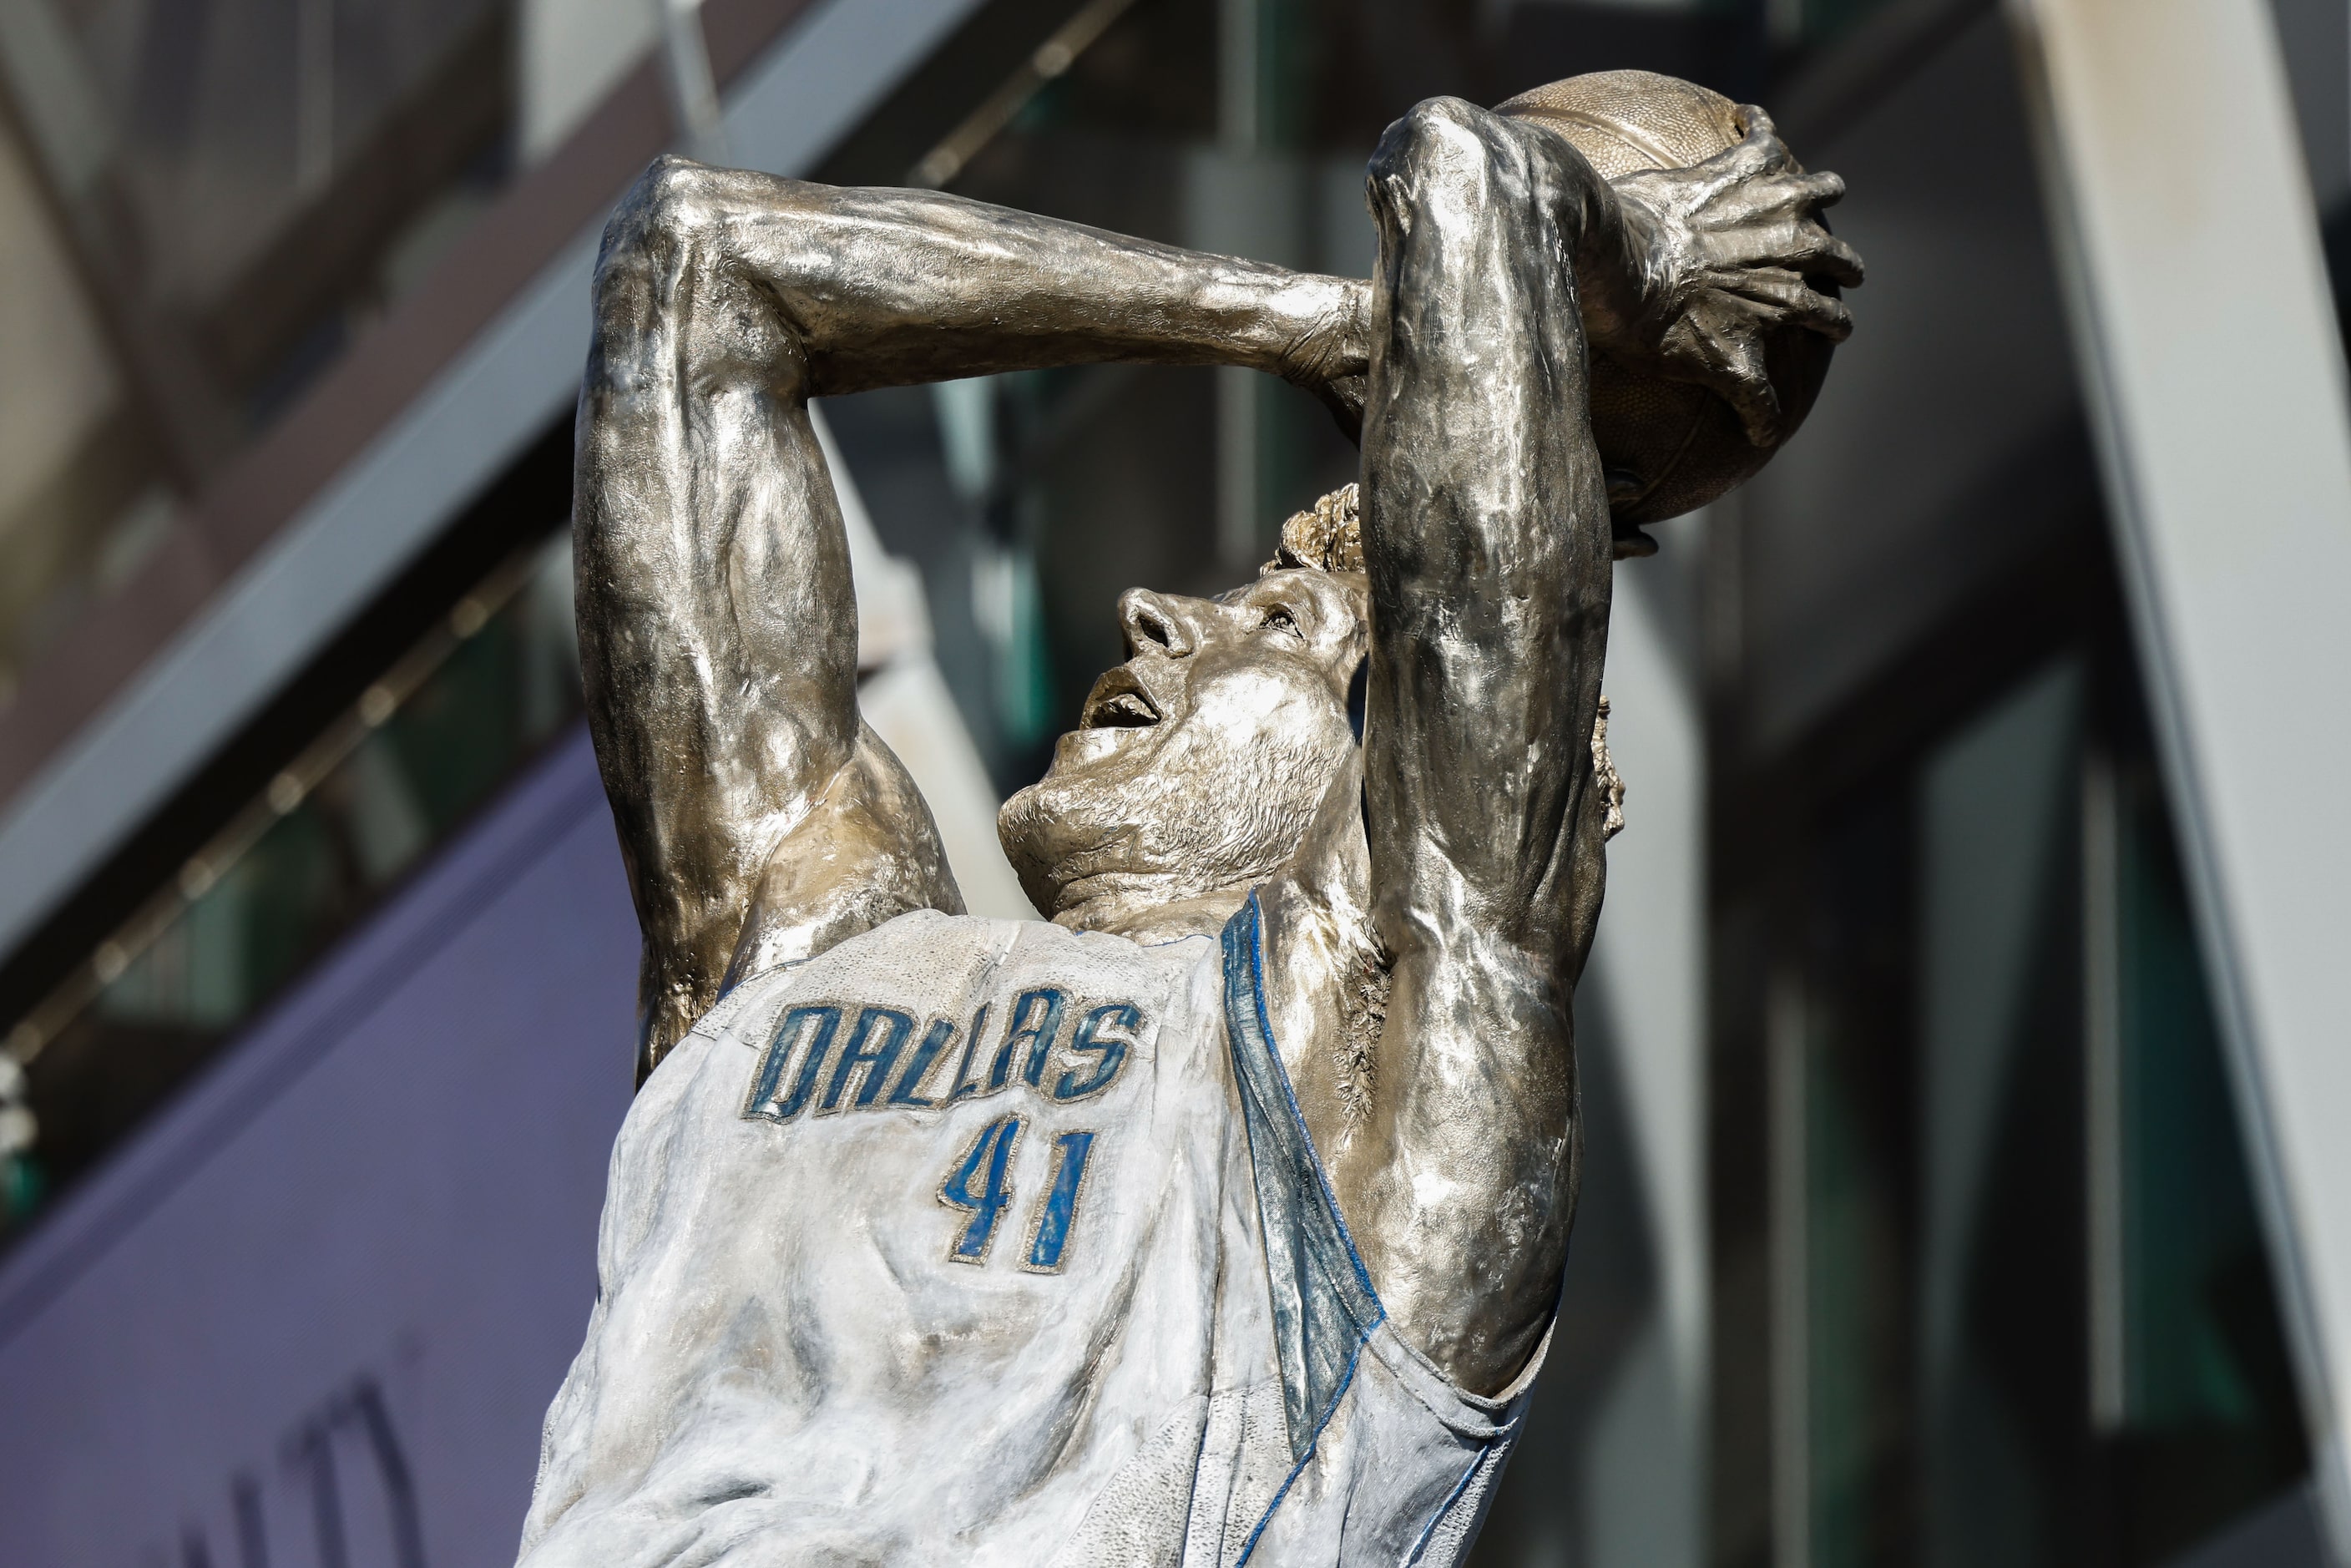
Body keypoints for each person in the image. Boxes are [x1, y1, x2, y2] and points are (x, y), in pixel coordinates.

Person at [519, 83, 1858, 1566]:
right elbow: (694, 259)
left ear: (1375, 763)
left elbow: (1466, 181)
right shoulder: (800, 942)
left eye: (1275, 621)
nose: (1161, 613)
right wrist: (1284, 320)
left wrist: (1622, 252)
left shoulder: (1352, 1103)